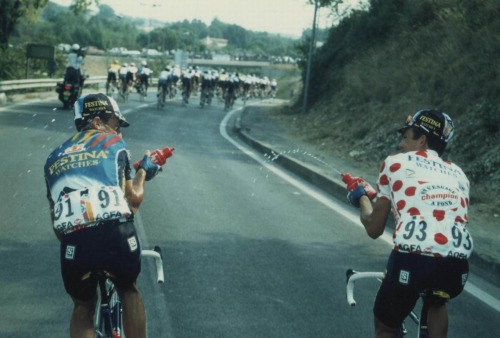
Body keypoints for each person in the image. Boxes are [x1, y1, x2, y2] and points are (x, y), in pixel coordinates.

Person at [44, 93, 165, 338]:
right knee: (128, 289)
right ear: (97, 122)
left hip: (74, 244)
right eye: (115, 124)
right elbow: (132, 203)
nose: (118, 132)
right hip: (115, 236)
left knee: (82, 305)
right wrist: (144, 171)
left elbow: (58, 227)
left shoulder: (52, 158)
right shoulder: (114, 146)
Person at [344, 109, 473, 338]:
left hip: (413, 259)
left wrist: (361, 196)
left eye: (406, 137)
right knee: (437, 300)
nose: (400, 144)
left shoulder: (394, 163)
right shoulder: (459, 174)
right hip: (456, 266)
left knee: (385, 324)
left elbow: (374, 228)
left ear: (422, 140)